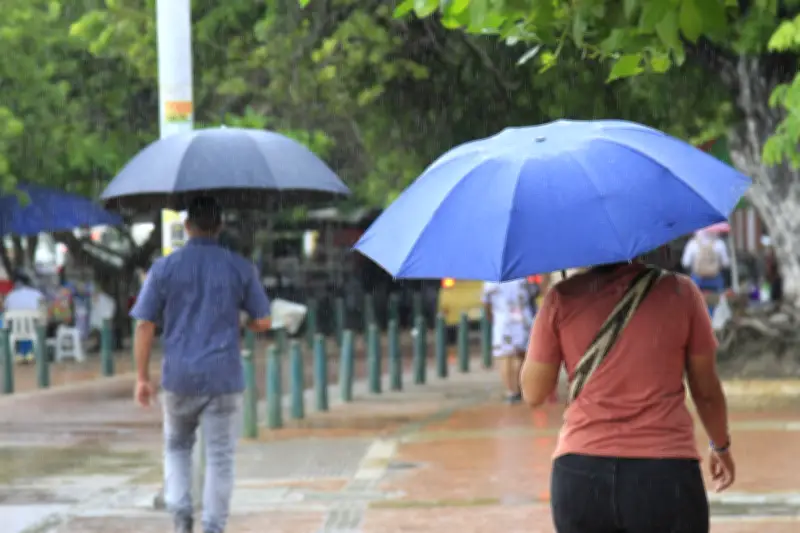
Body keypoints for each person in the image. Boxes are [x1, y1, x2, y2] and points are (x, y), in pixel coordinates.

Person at [520, 259, 734, 533]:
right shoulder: (681, 292)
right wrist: (721, 446)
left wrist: (548, 313)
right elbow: (705, 391)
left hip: (581, 474)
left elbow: (533, 392)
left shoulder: (560, 298)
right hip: (665, 474)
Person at [131, 196, 272, 533]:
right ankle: (213, 526)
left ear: (187, 226)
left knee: (177, 447)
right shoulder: (240, 267)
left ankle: (180, 513)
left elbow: (144, 324)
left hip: (179, 377)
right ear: (220, 226)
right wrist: (242, 324)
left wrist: (141, 377)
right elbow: (264, 320)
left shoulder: (164, 268)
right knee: (220, 455)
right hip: (224, 376)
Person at [482, 278, 532, 404]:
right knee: (521, 354)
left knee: (505, 356)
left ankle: (511, 390)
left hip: (502, 320)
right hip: (522, 318)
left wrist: (490, 316)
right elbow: (531, 293)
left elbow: (486, 303)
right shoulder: (522, 276)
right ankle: (520, 387)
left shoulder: (491, 279)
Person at [682, 229, 730, 313]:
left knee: (696, 303)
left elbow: (685, 263)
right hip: (715, 280)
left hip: (698, 280)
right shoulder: (719, 243)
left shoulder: (692, 243)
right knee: (714, 304)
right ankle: (711, 317)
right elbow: (726, 263)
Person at [5, 270, 47, 363]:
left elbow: (6, 313)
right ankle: (30, 353)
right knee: (36, 326)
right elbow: (44, 312)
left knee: (13, 327)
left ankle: (20, 353)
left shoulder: (10, 296)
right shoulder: (37, 294)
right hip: (34, 331)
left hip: (15, 332)